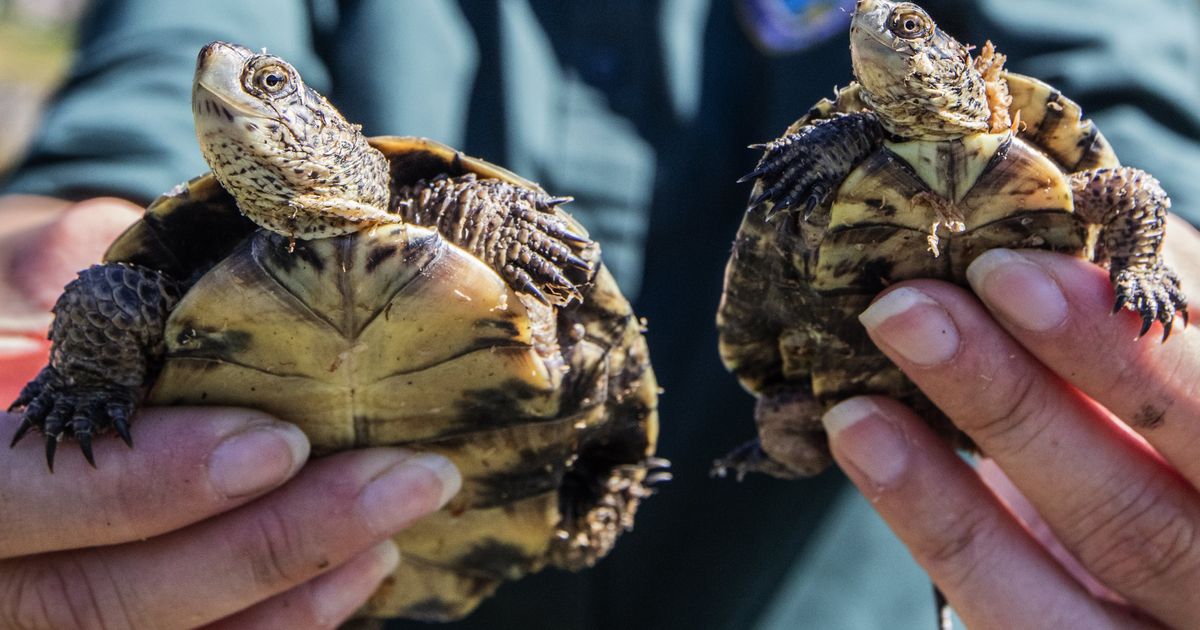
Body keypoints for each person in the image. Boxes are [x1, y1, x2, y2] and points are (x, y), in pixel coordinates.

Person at [1, 0, 1199, 628]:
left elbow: (1128, 101)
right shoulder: (203, 229)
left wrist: (1167, 276)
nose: (227, 89)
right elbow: (149, 73)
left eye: (261, 86)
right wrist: (54, 259)